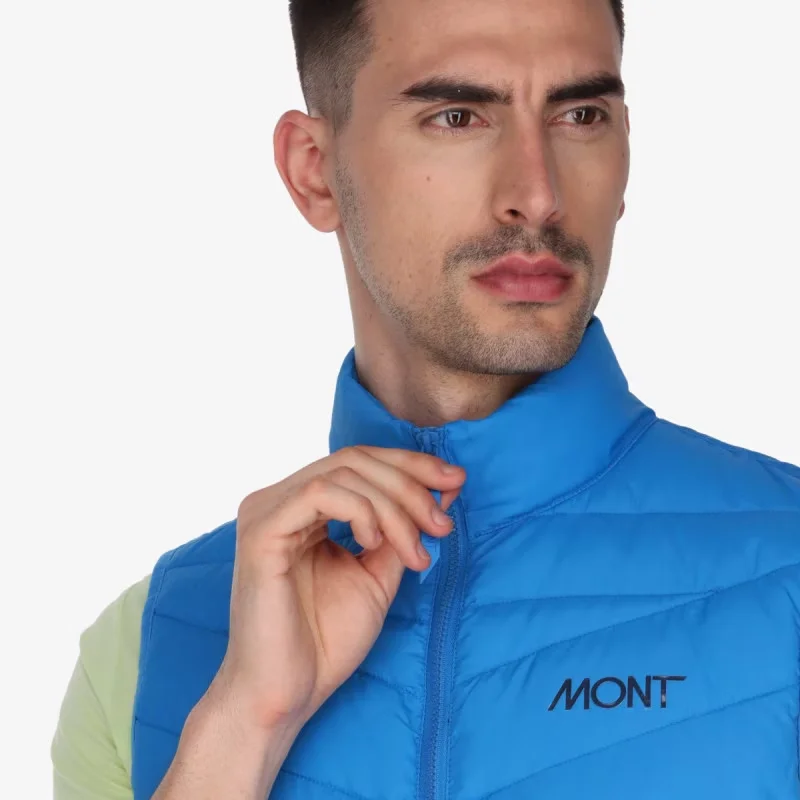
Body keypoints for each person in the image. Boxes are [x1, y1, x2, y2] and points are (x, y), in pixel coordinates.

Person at [51, 0, 800, 797]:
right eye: (457, 116)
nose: (537, 194)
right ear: (314, 171)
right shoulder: (151, 643)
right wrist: (245, 725)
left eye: (580, 114)